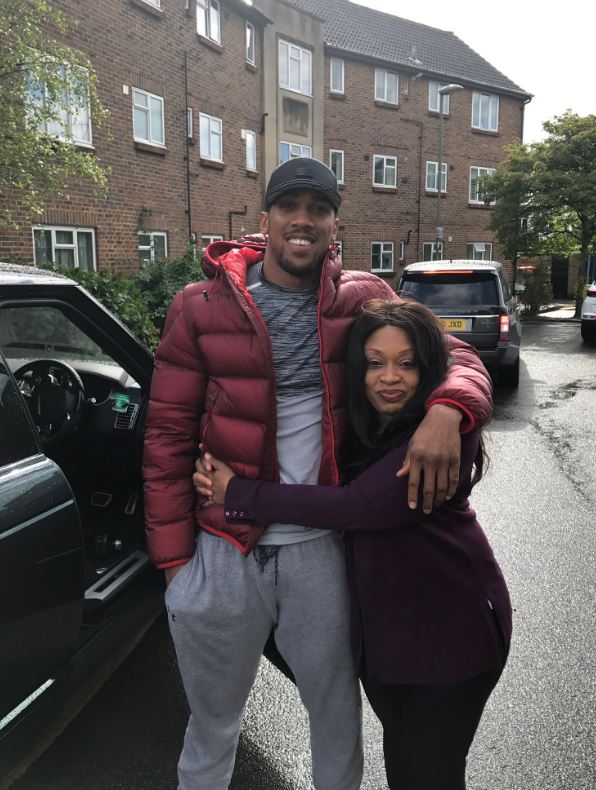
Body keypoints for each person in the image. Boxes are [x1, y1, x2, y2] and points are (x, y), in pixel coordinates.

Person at [143, 158, 493, 790]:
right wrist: (175, 569)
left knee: (336, 718)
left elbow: (454, 352)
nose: (302, 221)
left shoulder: (361, 298)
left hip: (321, 552)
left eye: (318, 209)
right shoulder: (199, 306)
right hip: (223, 552)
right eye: (289, 207)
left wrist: (449, 408)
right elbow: (167, 433)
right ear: (265, 219)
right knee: (212, 723)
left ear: (335, 224)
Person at [195, 299, 512, 790]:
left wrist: (237, 494)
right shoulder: (370, 428)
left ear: (427, 367)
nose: (391, 377)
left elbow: (359, 506)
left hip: (454, 638)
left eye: (408, 364)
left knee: (427, 774)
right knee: (408, 767)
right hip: (392, 644)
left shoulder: (435, 442)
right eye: (375, 363)